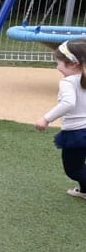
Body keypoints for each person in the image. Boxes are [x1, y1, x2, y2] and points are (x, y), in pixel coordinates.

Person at [35, 39, 86, 199]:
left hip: (77, 134)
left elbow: (68, 103)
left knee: (73, 169)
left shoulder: (67, 82)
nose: (57, 67)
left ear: (72, 64)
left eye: (58, 63)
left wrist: (46, 118)